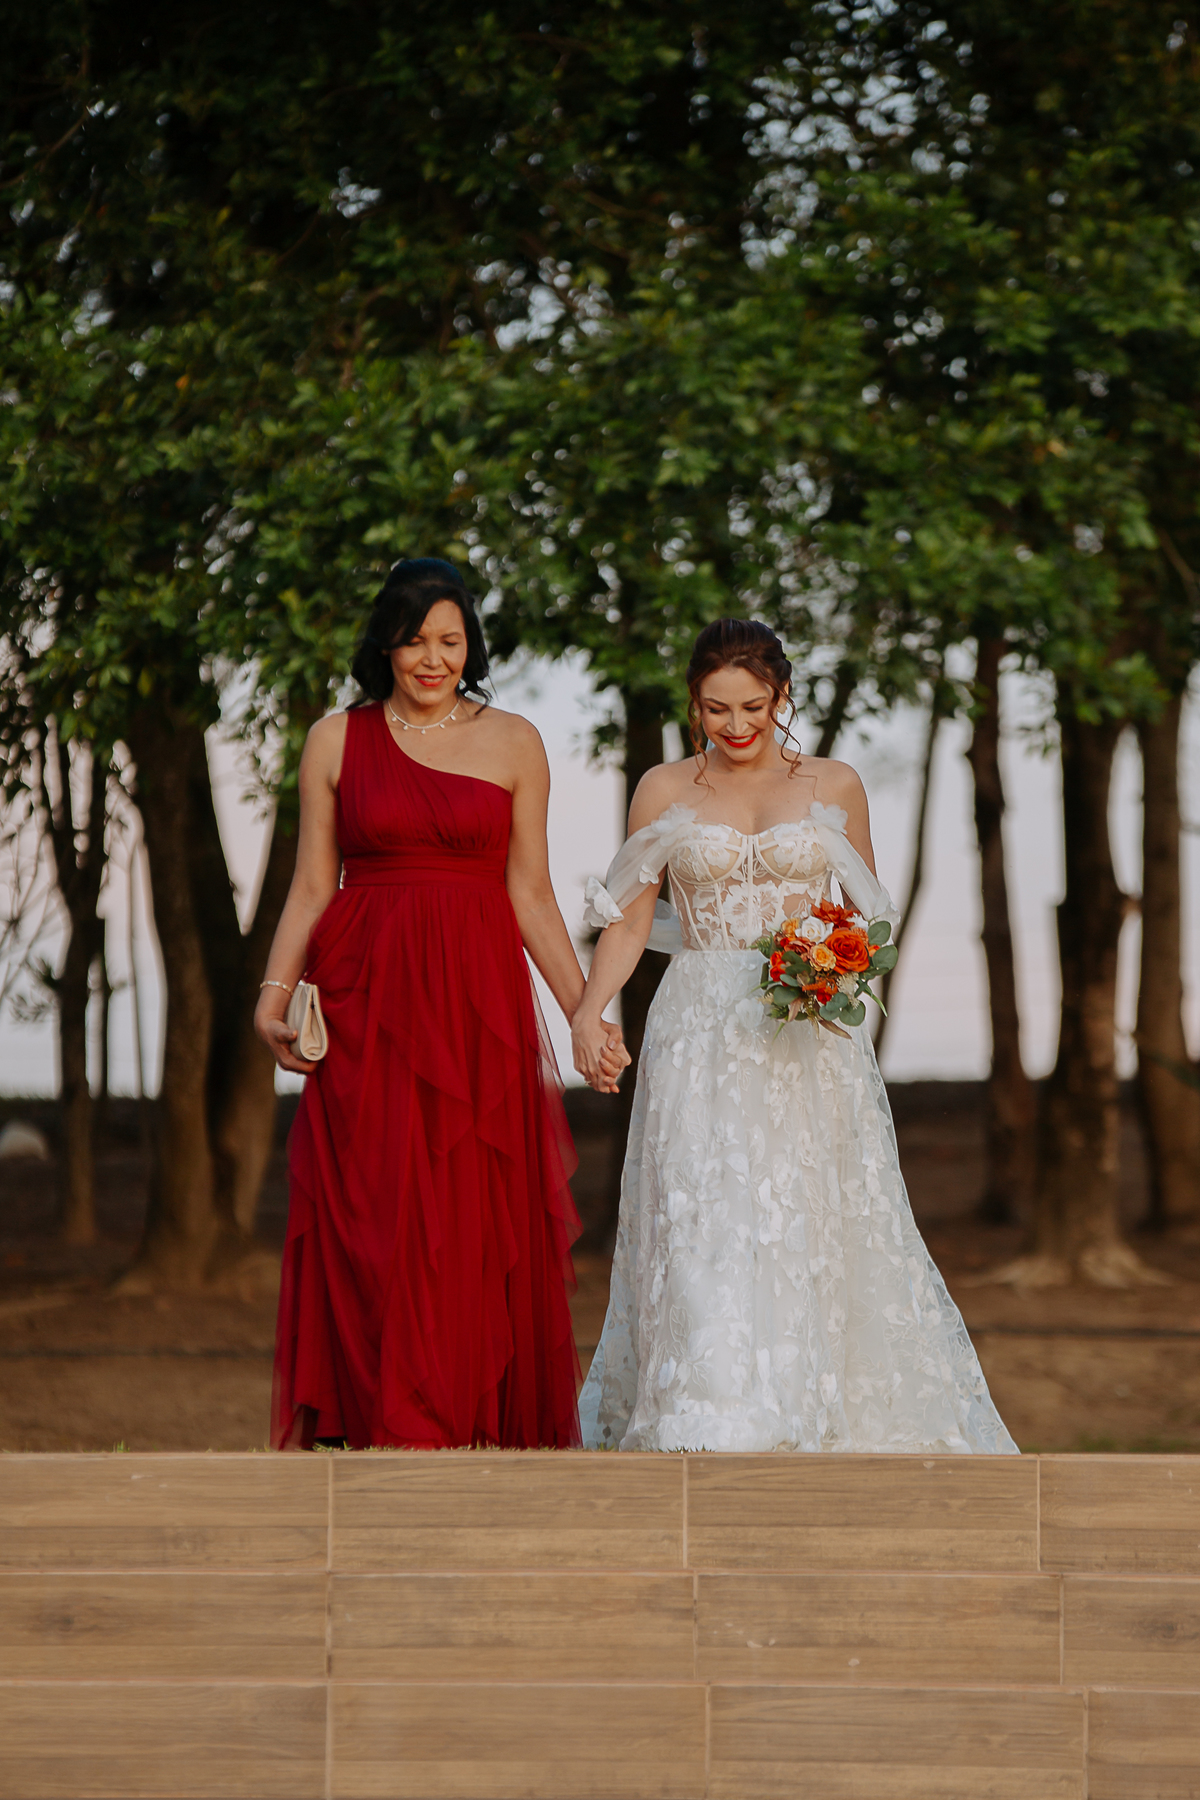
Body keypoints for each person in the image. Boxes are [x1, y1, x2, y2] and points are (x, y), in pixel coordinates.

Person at [571, 618, 1017, 1455]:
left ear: (782, 696)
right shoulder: (663, 788)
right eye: (716, 710)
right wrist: (588, 1013)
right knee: (700, 1208)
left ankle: (807, 1401)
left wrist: (832, 967)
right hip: (698, 1023)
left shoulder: (834, 784)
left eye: (753, 707)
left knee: (803, 1209)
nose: (736, 726)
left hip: (803, 1025)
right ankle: (704, 1408)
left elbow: (863, 918)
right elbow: (630, 923)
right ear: (694, 704)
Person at [256, 557, 627, 1450]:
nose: (432, 658)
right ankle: (376, 1419)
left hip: (474, 1003)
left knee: (466, 1215)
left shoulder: (515, 742)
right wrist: (272, 999)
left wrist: (584, 1014)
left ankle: (454, 1420)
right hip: (367, 998)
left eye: (450, 641)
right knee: (375, 1212)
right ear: (385, 643)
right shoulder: (334, 740)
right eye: (414, 639)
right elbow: (311, 887)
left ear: (471, 645)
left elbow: (530, 893)